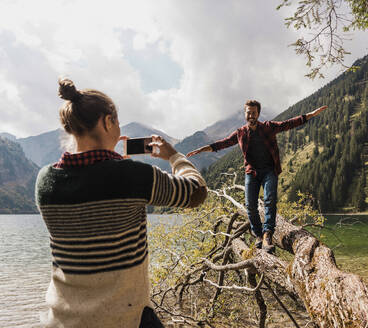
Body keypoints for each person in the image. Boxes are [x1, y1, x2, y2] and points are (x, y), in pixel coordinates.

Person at [35, 78, 207, 328]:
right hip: (125, 319)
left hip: (62, 321)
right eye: (116, 121)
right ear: (108, 121)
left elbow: (91, 184)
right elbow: (196, 192)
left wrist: (113, 161)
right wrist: (174, 156)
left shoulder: (45, 180)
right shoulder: (132, 176)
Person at [187, 100, 327, 252]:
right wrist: (202, 149)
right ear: (245, 114)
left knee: (269, 200)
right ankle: (258, 235)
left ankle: (267, 234)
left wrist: (310, 115)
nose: (251, 115)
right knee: (250, 206)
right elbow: (223, 143)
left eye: (254, 112)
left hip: (269, 171)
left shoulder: (268, 127)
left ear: (258, 114)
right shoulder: (240, 133)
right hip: (251, 172)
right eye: (248, 112)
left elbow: (288, 124)